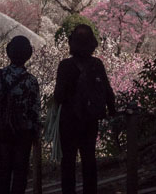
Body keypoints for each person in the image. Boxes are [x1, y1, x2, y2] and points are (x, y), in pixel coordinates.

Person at [53, 24, 116, 194]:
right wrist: (112, 111)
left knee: (68, 161)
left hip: (68, 121)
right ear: (92, 44)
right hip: (90, 119)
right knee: (89, 159)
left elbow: (58, 95)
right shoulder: (97, 64)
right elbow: (108, 91)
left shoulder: (65, 66)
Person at [0, 36, 42, 194]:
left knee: (3, 170)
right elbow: (35, 110)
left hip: (2, 131)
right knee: (20, 172)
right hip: (23, 133)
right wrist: (35, 132)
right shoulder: (31, 81)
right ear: (28, 55)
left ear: (8, 53)